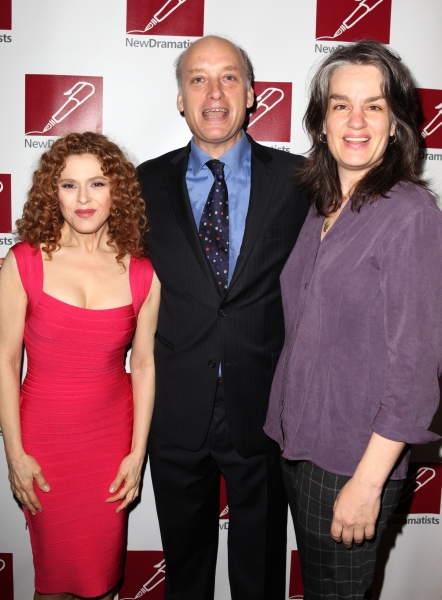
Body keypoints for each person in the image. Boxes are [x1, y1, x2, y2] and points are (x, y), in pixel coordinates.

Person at [264, 40, 442, 600]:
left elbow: (415, 369)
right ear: (321, 122)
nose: (356, 120)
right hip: (301, 446)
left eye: (375, 105)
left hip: (354, 461)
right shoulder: (323, 203)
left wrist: (368, 483)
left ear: (396, 124)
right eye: (341, 105)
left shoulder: (410, 213)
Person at [137, 35, 310, 600]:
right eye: (198, 79)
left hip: (262, 409)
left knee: (258, 575)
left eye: (229, 77)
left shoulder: (300, 180)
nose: (215, 93)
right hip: (173, 410)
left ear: (253, 93)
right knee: (184, 574)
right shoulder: (143, 184)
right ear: (180, 100)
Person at [0, 132, 160, 600]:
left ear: (118, 191)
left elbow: (145, 364)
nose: (84, 199)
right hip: (44, 442)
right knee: (53, 582)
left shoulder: (142, 272)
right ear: (54, 193)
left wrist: (137, 453)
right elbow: (6, 362)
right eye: (69, 186)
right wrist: (15, 453)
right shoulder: (23, 263)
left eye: (97, 184)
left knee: (101, 583)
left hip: (110, 442)